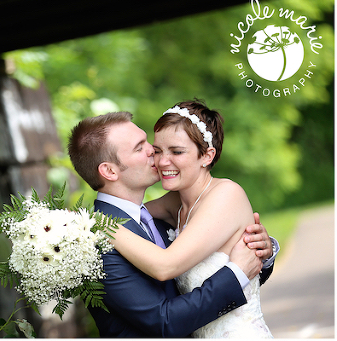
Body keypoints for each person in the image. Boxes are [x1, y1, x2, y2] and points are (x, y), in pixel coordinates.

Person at [67, 110, 278, 337]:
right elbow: (164, 320)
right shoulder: (95, 241)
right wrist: (237, 273)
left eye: (149, 143)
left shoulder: (159, 215)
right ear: (109, 171)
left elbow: (212, 271)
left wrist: (259, 252)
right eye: (139, 148)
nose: (153, 151)